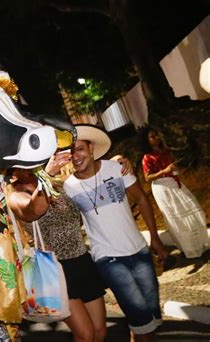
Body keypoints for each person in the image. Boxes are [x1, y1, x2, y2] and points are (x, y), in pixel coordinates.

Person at [63, 124, 168, 342]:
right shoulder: (68, 187)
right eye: (70, 152)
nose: (75, 156)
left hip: (139, 250)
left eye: (80, 149)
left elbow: (141, 198)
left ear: (91, 148)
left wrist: (155, 237)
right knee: (138, 311)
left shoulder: (116, 168)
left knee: (149, 315)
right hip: (108, 258)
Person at [11, 159, 107, 342]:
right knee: (85, 335)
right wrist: (46, 177)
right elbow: (36, 209)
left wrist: (117, 162)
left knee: (99, 331)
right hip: (56, 269)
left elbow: (89, 178)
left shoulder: (60, 184)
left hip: (82, 261)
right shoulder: (16, 195)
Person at [141, 127, 208, 258]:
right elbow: (147, 177)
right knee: (176, 216)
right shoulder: (147, 157)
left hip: (175, 182)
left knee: (191, 208)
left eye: (156, 135)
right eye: (152, 137)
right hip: (162, 187)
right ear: (146, 141)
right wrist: (165, 171)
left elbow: (171, 167)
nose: (156, 138)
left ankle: (199, 244)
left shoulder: (166, 152)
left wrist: (173, 171)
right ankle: (188, 249)